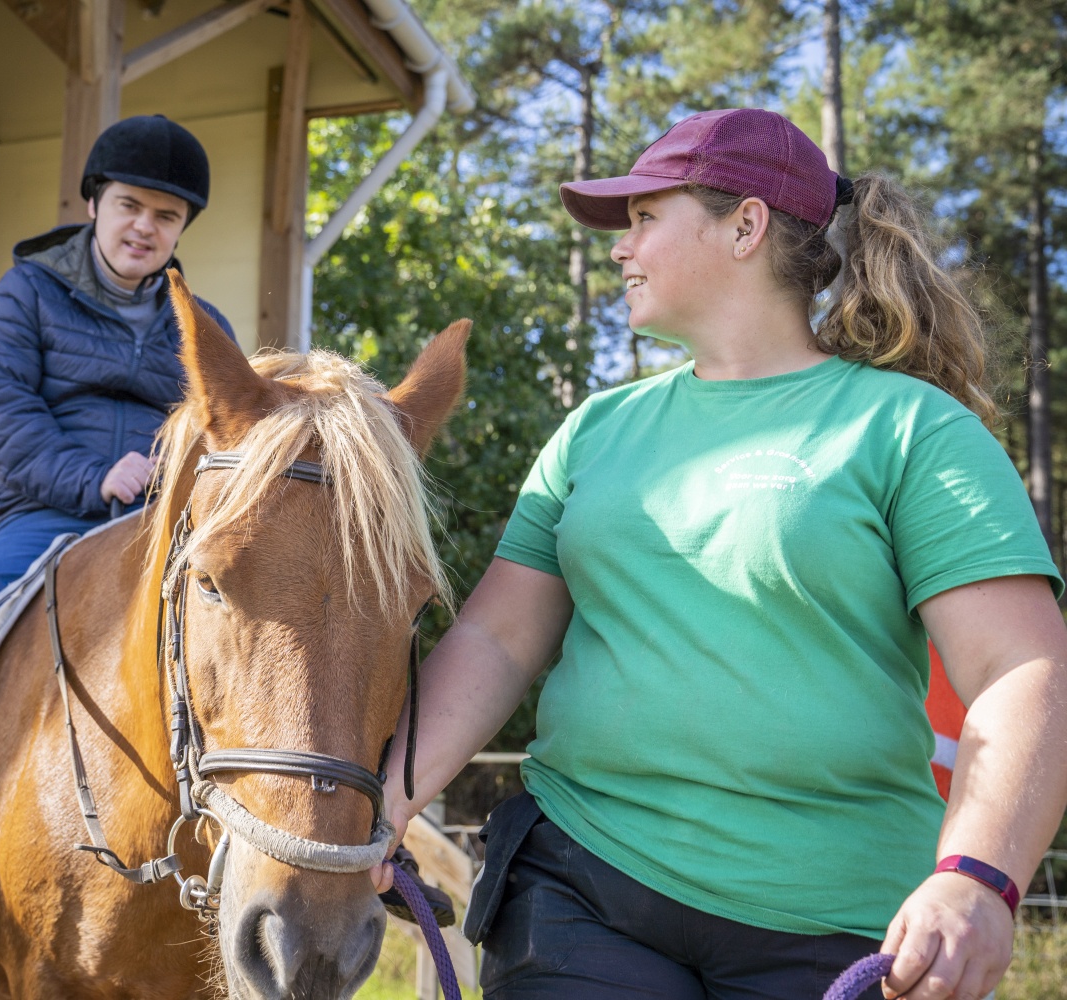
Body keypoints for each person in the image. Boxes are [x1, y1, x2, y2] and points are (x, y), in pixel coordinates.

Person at [370, 108, 1067, 1000]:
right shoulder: (594, 431)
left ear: (746, 225)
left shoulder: (912, 429)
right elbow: (498, 642)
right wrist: (381, 805)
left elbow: (1020, 669)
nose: (622, 251)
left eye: (645, 219)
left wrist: (979, 877)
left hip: (839, 918)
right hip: (582, 886)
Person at [0, 114, 236, 977]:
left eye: (167, 217)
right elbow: (2, 412)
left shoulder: (197, 319)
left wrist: (181, 475)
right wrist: (96, 476)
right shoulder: (26, 293)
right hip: (49, 514)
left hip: (165, 522)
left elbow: (228, 420)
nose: (145, 228)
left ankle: (349, 836)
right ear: (95, 203)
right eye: (131, 206)